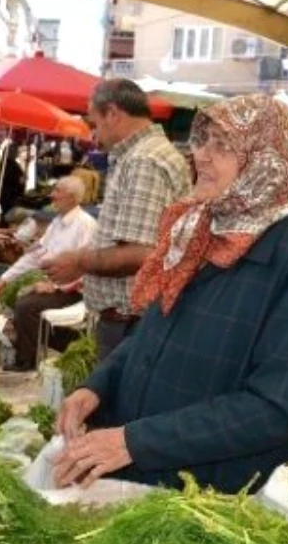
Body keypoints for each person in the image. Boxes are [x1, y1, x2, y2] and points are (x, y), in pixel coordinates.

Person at [52, 94, 288, 494]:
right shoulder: (202, 227)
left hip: (221, 501)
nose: (202, 157)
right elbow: (153, 333)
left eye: (223, 146)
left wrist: (134, 441)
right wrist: (98, 386)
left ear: (268, 160)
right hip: (156, 482)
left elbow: (273, 407)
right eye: (202, 141)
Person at [41, 79, 192, 361]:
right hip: (131, 320)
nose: (93, 134)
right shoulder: (141, 155)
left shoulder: (143, 160)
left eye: (94, 122)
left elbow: (140, 254)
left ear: (113, 113)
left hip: (131, 322)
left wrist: (78, 261)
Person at [0, 177, 97, 370]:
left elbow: (86, 268)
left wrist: (54, 286)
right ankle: (66, 344)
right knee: (13, 301)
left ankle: (27, 361)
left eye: (57, 191)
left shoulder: (85, 225)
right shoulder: (57, 223)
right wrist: (4, 279)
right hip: (55, 285)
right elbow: (36, 255)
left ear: (72, 198)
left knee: (26, 306)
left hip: (74, 290)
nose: (52, 195)